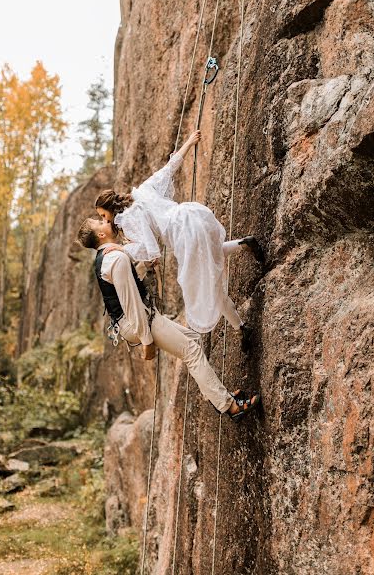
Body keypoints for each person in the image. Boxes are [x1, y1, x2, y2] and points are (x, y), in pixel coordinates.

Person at [76, 216, 259, 422]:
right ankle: (230, 406)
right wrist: (146, 341)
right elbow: (130, 302)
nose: (105, 220)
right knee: (191, 351)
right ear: (101, 235)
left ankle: (217, 397)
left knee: (194, 340)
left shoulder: (111, 256)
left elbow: (126, 283)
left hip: (141, 316)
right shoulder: (114, 259)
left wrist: (145, 266)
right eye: (100, 222)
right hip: (137, 320)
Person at [94, 130, 265, 350]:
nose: (104, 220)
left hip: (182, 234)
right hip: (192, 215)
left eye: (103, 215)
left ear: (110, 209)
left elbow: (151, 250)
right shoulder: (143, 190)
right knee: (211, 256)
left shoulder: (126, 219)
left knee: (208, 285)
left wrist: (123, 249)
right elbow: (169, 168)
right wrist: (188, 143)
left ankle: (242, 328)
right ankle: (244, 243)